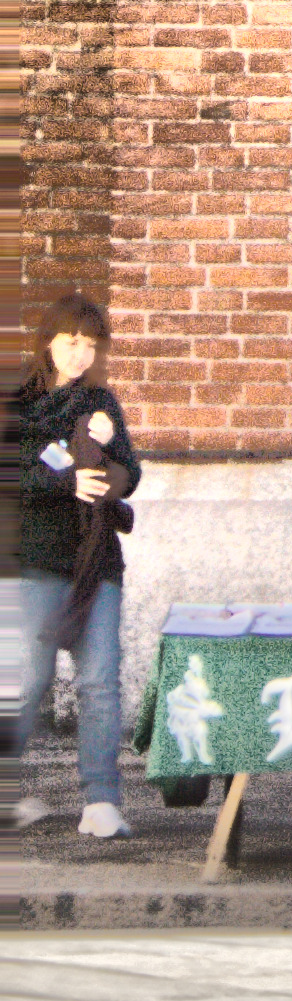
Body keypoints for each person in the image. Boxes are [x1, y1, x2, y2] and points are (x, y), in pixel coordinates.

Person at [6, 295, 142, 841]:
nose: (81, 353)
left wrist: (108, 469)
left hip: (96, 563)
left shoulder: (102, 402)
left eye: (91, 343)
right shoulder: (21, 403)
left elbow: (130, 471)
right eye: (71, 342)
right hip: (35, 561)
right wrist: (67, 477)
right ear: (48, 343)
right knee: (26, 681)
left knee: (99, 681)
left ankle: (102, 800)